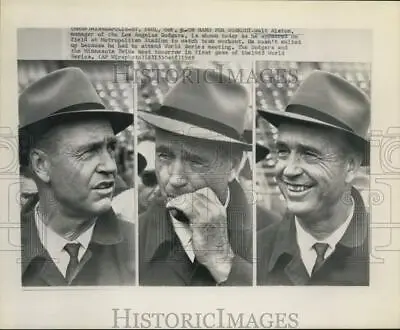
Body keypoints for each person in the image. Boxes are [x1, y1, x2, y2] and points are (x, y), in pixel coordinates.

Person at [138, 68, 259, 286]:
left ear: (234, 165)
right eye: (164, 156)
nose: (174, 179)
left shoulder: (270, 235)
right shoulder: (131, 241)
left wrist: (223, 262)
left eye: (194, 161)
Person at [19, 67, 135, 286]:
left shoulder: (139, 248)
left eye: (110, 148)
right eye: (88, 152)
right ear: (41, 165)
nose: (110, 166)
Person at [257, 70, 370, 285]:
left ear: (351, 166)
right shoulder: (254, 251)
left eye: (309, 154)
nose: (289, 171)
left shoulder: (387, 255)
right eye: (282, 151)